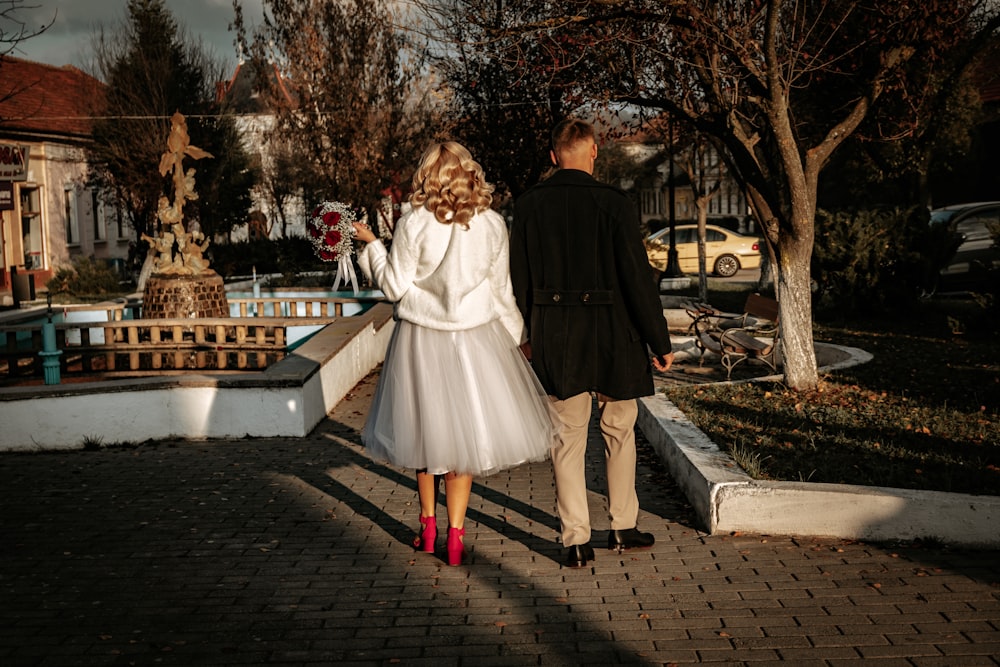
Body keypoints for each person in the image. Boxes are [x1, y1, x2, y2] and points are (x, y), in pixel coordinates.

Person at [353, 141, 555, 566]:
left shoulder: (413, 224)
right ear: (468, 172)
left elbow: (392, 287)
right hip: (475, 344)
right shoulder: (492, 224)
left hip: (420, 342)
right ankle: (457, 538)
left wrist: (372, 246)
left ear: (428, 174)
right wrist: (518, 338)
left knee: (424, 436)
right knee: (463, 444)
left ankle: (427, 529)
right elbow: (502, 293)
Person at [510, 117, 674, 568]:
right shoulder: (614, 203)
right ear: (594, 151)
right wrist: (659, 340)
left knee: (566, 438)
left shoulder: (527, 205)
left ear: (552, 156)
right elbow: (637, 281)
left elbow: (518, 280)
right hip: (613, 335)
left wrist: (528, 334)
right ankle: (622, 527)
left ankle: (576, 540)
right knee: (619, 431)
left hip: (557, 336)